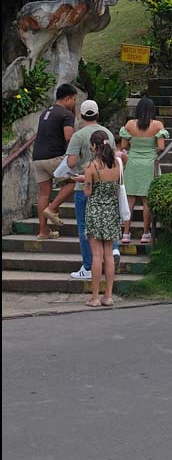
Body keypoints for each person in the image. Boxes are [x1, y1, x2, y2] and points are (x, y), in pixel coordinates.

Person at [64, 99, 120, 280]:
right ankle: (115, 248)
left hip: (84, 186)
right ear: (98, 114)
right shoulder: (108, 134)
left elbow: (71, 162)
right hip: (107, 187)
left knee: (84, 227)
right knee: (110, 220)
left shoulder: (78, 136)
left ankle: (88, 266)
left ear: (81, 115)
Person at [119, 97, 169, 245]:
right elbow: (161, 147)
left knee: (130, 200)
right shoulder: (158, 125)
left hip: (133, 163)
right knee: (147, 201)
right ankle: (146, 233)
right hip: (149, 164)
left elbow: (123, 145)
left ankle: (126, 233)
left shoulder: (129, 125)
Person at [31, 83, 77, 237]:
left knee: (44, 194)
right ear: (68, 98)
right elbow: (69, 137)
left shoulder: (46, 112)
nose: (74, 103)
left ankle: (43, 231)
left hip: (37, 158)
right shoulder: (66, 115)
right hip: (54, 157)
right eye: (74, 100)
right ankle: (52, 208)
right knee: (74, 181)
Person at [83, 131, 121, 307]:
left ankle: (95, 297)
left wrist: (84, 180)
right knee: (109, 255)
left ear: (93, 146)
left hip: (95, 212)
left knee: (96, 255)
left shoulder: (91, 166)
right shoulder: (117, 164)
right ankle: (109, 296)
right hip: (111, 212)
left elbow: (88, 192)